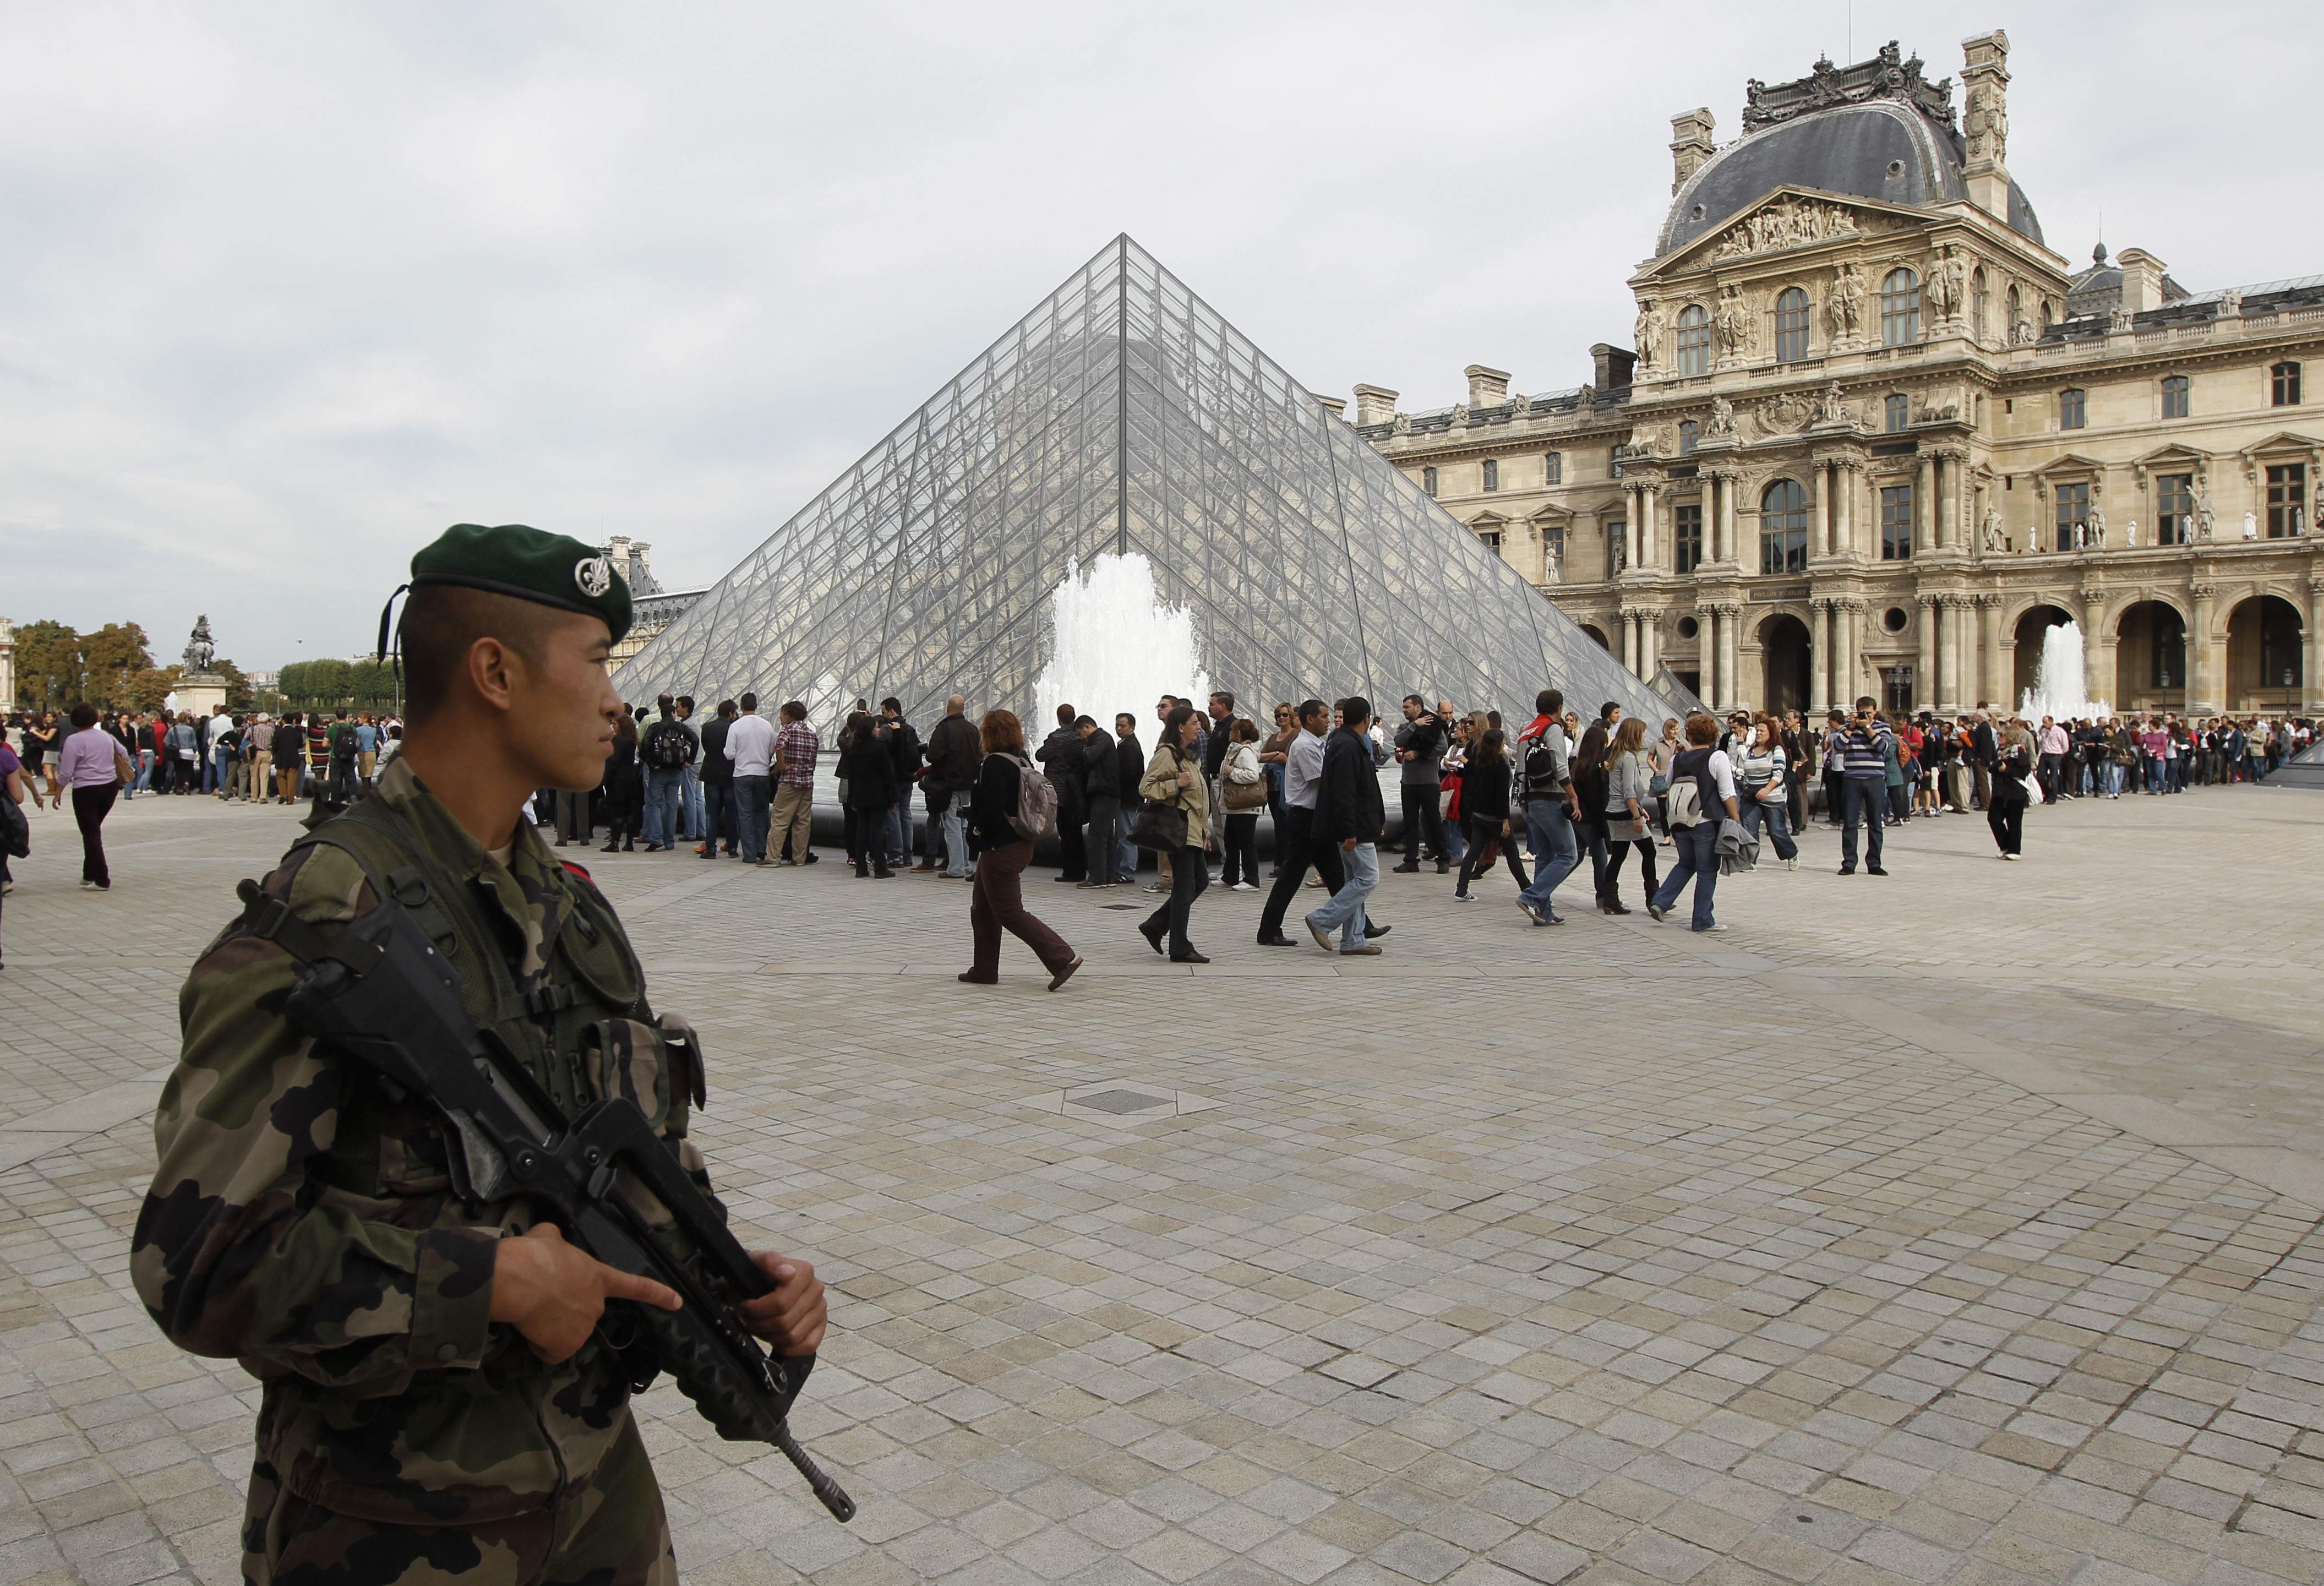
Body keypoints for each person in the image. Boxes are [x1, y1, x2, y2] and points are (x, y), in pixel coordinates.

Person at [130, 522, 827, 1585]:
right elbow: (198, 1265)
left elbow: (637, 1158)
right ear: (494, 672)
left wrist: (732, 1273)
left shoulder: (574, 909)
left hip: (599, 1497)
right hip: (393, 1525)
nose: (616, 699)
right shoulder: (322, 921)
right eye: (595, 662)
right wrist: (485, 1284)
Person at [961, 708, 1080, 989]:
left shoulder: (993, 765)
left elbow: (990, 809)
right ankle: (984, 969)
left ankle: (1062, 957)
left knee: (1009, 912)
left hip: (1000, 847)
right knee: (982, 909)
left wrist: (976, 831)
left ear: (989, 734)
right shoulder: (1021, 761)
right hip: (1019, 842)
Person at [1305, 695, 1386, 955]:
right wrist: (1350, 830)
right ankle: (1322, 919)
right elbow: (1345, 793)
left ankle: (1353, 940)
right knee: (1368, 879)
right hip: (1354, 828)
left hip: (1355, 825)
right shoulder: (1349, 746)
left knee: (1355, 880)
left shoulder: (1343, 742)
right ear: (1367, 719)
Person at [1648, 713, 1741, 932]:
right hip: (1705, 821)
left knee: (1685, 863)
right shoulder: (1717, 757)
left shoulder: (1677, 759)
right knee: (1707, 871)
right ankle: (1702, 919)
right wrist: (1736, 818)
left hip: (1680, 822)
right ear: (1712, 734)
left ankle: (1660, 901)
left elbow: (1666, 785)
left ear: (1689, 735)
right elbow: (1727, 793)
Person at [1138, 703, 1214, 963]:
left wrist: (1205, 831)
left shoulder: (1187, 756)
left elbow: (1198, 799)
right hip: (1180, 831)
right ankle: (1179, 946)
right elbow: (1146, 787)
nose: (1199, 726)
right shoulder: (1168, 754)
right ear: (1181, 727)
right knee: (1184, 887)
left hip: (1193, 831)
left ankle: (1157, 925)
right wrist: (1175, 784)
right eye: (1194, 722)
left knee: (1199, 882)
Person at [1513, 689, 1579, 926]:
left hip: (1527, 802)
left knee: (1545, 857)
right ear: (1559, 708)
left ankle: (1543, 913)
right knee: (1569, 855)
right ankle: (1530, 896)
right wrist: (1572, 796)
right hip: (1548, 799)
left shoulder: (1526, 733)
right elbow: (1561, 767)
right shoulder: (1552, 729)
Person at [57, 703, 132, 891]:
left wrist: (58, 791)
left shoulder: (74, 741)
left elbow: (66, 772)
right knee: (93, 830)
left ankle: (102, 878)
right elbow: (124, 753)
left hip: (86, 789)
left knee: (91, 833)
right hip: (109, 786)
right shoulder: (106, 736)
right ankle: (89, 873)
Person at [1452, 728, 1526, 901]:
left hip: (1479, 815)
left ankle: (1461, 888)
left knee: (1474, 851)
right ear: (1501, 744)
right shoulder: (1500, 765)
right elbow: (1501, 797)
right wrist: (1505, 821)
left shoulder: (1478, 761)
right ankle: (1528, 889)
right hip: (1495, 818)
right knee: (1512, 853)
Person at [1600, 718, 1661, 908]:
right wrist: (1637, 816)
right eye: (1642, 732)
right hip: (1626, 813)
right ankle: (1653, 898)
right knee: (1649, 852)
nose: (1644, 736)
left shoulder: (1618, 756)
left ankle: (1609, 898)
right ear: (1634, 735)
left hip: (1614, 811)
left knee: (1618, 856)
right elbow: (1629, 792)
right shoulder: (1627, 758)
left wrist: (1640, 811)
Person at [923, 695, 980, 879]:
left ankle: (955, 867)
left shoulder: (944, 729)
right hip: (969, 785)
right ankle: (966, 864)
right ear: (964, 709)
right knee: (964, 827)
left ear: (948, 708)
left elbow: (932, 756)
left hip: (949, 786)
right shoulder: (973, 729)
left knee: (952, 827)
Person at [1733, 716, 1800, 870]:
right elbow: (1746, 769)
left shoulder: (1776, 750)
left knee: (1776, 831)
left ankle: (1791, 853)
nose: (1758, 733)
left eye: (1762, 731)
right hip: (1751, 797)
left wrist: (1767, 789)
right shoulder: (1751, 750)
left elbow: (1778, 774)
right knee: (1749, 829)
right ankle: (1750, 860)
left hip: (1773, 796)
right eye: (1757, 730)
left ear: (1771, 733)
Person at [1836, 697, 1892, 877]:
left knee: (1875, 823)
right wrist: (1852, 727)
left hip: (1875, 778)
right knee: (1850, 823)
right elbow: (1837, 746)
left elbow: (1882, 747)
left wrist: (1868, 728)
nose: (1865, 716)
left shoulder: (1883, 727)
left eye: (1868, 713)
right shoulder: (1848, 728)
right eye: (1862, 713)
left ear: (1875, 712)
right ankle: (1849, 862)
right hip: (1852, 778)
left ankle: (1874, 863)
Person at [1392, 695, 1448, 873]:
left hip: (1428, 782)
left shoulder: (1434, 725)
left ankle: (1443, 858)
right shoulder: (1407, 726)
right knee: (1410, 822)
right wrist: (1415, 725)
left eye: (1407, 707)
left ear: (1418, 707)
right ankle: (1411, 860)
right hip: (1408, 782)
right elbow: (1399, 740)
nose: (1404, 710)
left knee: (1434, 821)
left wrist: (1419, 754)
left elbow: (1443, 747)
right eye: (1403, 707)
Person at [838, 715, 897, 878]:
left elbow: (852, 776)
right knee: (876, 832)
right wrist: (893, 798)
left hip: (860, 796)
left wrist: (852, 799)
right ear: (870, 730)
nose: (879, 729)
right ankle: (880, 867)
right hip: (878, 796)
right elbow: (888, 775)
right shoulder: (879, 748)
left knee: (861, 830)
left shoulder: (853, 750)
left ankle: (861, 868)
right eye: (877, 727)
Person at [1036, 705, 1088, 885]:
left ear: (1059, 718)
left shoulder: (1057, 738)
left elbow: (1040, 755)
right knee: (1076, 833)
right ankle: (1080, 870)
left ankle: (1070, 872)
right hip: (1076, 790)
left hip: (1059, 792)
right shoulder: (1079, 737)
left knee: (1066, 833)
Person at [639, 694, 696, 853]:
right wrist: (689, 761)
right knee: (671, 805)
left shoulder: (655, 727)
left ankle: (656, 838)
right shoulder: (681, 727)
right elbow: (696, 740)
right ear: (673, 714)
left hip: (658, 771)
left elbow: (644, 743)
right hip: (676, 771)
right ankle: (669, 842)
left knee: (654, 804)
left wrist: (650, 763)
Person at [725, 692, 778, 864]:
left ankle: (749, 854)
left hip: (742, 774)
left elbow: (729, 754)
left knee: (745, 814)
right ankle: (762, 850)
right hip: (762, 773)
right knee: (762, 812)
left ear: (741, 707)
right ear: (756, 706)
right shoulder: (767, 725)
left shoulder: (736, 726)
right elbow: (772, 750)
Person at [1218, 717, 1264, 890]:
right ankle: (1229, 876)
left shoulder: (1245, 752)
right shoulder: (1236, 749)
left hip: (1245, 806)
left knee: (1246, 842)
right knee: (1231, 840)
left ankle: (1252, 880)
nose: (1229, 732)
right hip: (1236, 806)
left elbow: (1252, 775)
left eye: (1232, 729)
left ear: (1238, 733)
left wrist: (1232, 772)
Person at [771, 701, 819, 865]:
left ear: (790, 715)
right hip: (807, 783)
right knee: (803, 822)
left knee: (780, 820)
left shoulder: (788, 730)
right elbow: (814, 760)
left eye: (783, 714)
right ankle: (799, 859)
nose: (780, 717)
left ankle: (773, 858)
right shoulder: (812, 734)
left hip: (790, 781)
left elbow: (779, 748)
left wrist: (782, 767)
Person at [1076, 716, 1121, 889]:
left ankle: (1097, 878)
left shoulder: (1103, 738)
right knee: (1107, 837)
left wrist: (1085, 749)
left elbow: (1091, 757)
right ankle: (1109, 876)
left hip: (1105, 793)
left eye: (1081, 734)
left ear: (1087, 727)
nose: (1082, 738)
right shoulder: (1102, 739)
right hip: (1106, 792)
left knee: (1096, 836)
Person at [692, 699, 737, 858]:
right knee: (732, 813)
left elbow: (705, 746)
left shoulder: (708, 727)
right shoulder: (734, 728)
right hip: (730, 774)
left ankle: (711, 848)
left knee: (711, 813)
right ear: (731, 714)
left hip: (711, 773)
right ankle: (732, 848)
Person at [1989, 720, 2034, 859]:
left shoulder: (2018, 750)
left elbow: (2024, 771)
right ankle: (2005, 845)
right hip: (2000, 791)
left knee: (2014, 822)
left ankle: (2015, 850)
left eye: (2002, 735)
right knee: (1994, 818)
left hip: (2015, 792)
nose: (1999, 737)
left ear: (2010, 736)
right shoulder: (2000, 751)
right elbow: (1992, 767)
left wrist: (2006, 770)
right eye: (1998, 734)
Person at [600, 706, 642, 852]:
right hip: (630, 779)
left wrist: (606, 779)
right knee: (629, 812)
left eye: (615, 724)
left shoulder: (618, 741)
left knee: (616, 812)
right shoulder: (631, 741)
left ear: (622, 725)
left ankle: (615, 842)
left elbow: (613, 762)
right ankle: (629, 842)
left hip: (618, 781)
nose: (613, 726)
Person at [1111, 713, 1144, 885]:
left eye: (1123, 726)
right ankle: (1121, 870)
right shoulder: (1126, 744)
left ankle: (1127, 872)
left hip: (1127, 798)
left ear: (1132, 727)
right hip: (1127, 798)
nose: (1119, 729)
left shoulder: (1130, 747)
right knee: (1123, 835)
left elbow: (1129, 774)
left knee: (1127, 836)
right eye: (1117, 725)